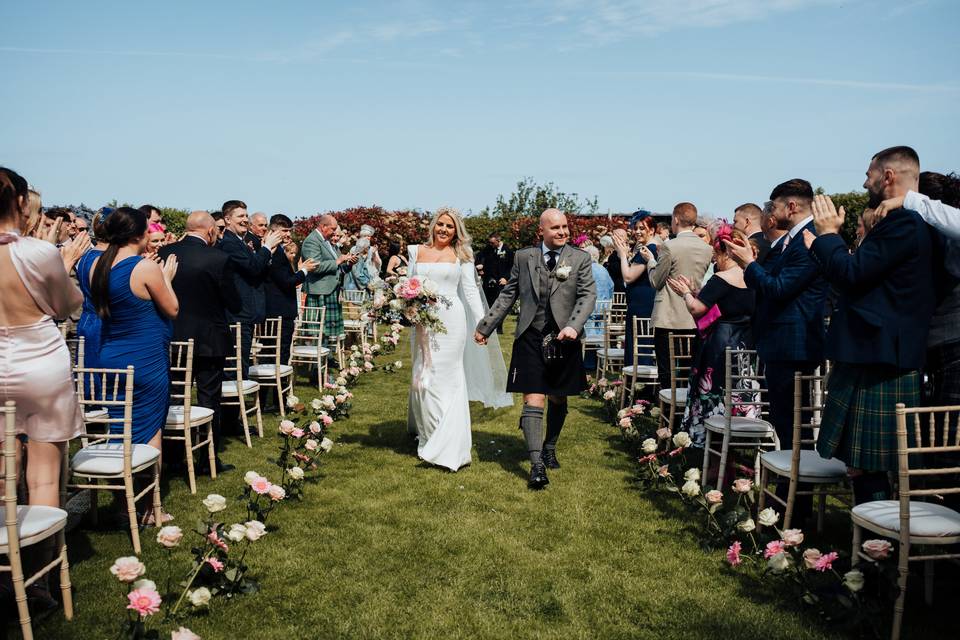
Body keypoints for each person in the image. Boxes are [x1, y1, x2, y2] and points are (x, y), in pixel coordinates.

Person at [804, 147, 937, 504]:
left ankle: (878, 548)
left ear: (888, 176)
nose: (865, 182)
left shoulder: (905, 223)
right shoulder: (899, 222)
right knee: (860, 463)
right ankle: (870, 543)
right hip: (871, 352)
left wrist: (829, 235)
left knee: (870, 462)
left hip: (881, 357)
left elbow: (852, 273)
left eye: (869, 174)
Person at [0, 167, 86, 610]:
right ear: (19, 204)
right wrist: (65, 265)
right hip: (39, 363)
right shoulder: (38, 251)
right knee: (44, 474)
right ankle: (38, 581)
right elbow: (68, 305)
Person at [475, 209, 597, 489]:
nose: (562, 232)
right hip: (530, 334)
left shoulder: (580, 258)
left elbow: (587, 295)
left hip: (564, 338)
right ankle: (536, 465)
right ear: (541, 231)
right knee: (534, 398)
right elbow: (508, 295)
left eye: (565, 227)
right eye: (555, 228)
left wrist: (574, 326)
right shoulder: (523, 257)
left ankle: (549, 445)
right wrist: (486, 326)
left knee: (557, 398)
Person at [407, 207, 511, 471]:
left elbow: (470, 291)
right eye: (440, 224)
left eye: (449, 226)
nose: (443, 229)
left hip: (452, 320)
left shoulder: (461, 255)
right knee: (424, 374)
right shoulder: (415, 251)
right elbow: (409, 286)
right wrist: (407, 308)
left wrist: (483, 324)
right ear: (433, 226)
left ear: (456, 231)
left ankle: (450, 442)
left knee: (448, 375)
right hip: (422, 321)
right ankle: (430, 433)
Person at [90, 207, 178, 454]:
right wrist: (167, 279)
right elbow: (172, 309)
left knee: (119, 427)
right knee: (149, 431)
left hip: (110, 356)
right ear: (139, 235)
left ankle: (122, 491)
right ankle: (147, 490)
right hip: (144, 359)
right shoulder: (144, 268)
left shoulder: (99, 265)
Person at [158, 211, 242, 472]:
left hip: (172, 335)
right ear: (209, 231)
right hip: (209, 339)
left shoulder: (165, 253)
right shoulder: (219, 258)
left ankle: (171, 457)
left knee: (173, 397)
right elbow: (234, 302)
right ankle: (207, 459)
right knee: (209, 398)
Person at [667, 225, 756, 447]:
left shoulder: (721, 277)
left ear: (726, 252)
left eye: (716, 255)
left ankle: (710, 438)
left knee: (714, 389)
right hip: (745, 340)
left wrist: (685, 293)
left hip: (721, 341)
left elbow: (697, 308)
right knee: (738, 387)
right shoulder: (754, 275)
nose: (715, 260)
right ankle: (740, 438)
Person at [646, 202, 714, 390]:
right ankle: (686, 410)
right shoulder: (707, 248)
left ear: (675, 219)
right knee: (689, 367)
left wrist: (651, 263)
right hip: (694, 314)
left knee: (666, 368)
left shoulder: (670, 247)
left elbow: (656, 281)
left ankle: (668, 410)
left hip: (668, 315)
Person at [218, 200, 284, 377]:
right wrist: (267, 247)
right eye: (240, 216)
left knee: (242, 361)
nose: (245, 219)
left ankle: (238, 402)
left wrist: (266, 253)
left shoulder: (242, 242)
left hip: (247, 312)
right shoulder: (229, 244)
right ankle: (233, 404)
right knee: (237, 364)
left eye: (246, 215)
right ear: (227, 219)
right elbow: (253, 267)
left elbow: (258, 271)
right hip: (238, 313)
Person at [302, 214, 358, 354]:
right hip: (319, 292)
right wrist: (338, 261)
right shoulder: (311, 241)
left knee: (329, 331)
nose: (335, 232)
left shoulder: (328, 242)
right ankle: (316, 368)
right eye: (333, 229)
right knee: (318, 333)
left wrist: (348, 264)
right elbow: (314, 266)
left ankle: (328, 358)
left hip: (331, 291)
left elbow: (337, 268)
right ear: (323, 226)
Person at [264, 214, 316, 364]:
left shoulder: (277, 251)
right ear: (273, 230)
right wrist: (304, 270)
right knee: (280, 350)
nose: (288, 234)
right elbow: (287, 282)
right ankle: (277, 385)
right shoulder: (277, 253)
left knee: (274, 350)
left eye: (289, 231)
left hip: (277, 309)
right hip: (279, 310)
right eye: (284, 231)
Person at [613, 211, 659, 368]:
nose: (637, 231)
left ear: (652, 230)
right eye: (635, 228)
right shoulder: (649, 248)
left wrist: (623, 255)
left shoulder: (648, 250)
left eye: (642, 228)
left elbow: (628, 277)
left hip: (642, 305)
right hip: (641, 303)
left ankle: (640, 383)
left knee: (640, 343)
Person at [583, 244, 614, 370]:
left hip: (590, 308)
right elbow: (611, 286)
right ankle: (601, 362)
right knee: (600, 332)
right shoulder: (603, 269)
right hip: (604, 308)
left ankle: (589, 363)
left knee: (589, 332)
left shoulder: (586, 270)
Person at [475, 232, 514, 333]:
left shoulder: (508, 251)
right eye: (490, 243)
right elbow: (479, 257)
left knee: (499, 306)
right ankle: (487, 327)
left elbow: (512, 267)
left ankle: (499, 328)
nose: (491, 245)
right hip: (489, 281)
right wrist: (479, 266)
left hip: (501, 283)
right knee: (488, 305)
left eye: (492, 243)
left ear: (498, 240)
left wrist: (506, 278)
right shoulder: (488, 249)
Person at [604, 227, 628, 294]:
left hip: (621, 292)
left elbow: (618, 269)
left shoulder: (624, 253)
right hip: (613, 290)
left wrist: (607, 264)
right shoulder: (614, 253)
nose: (613, 239)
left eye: (615, 237)